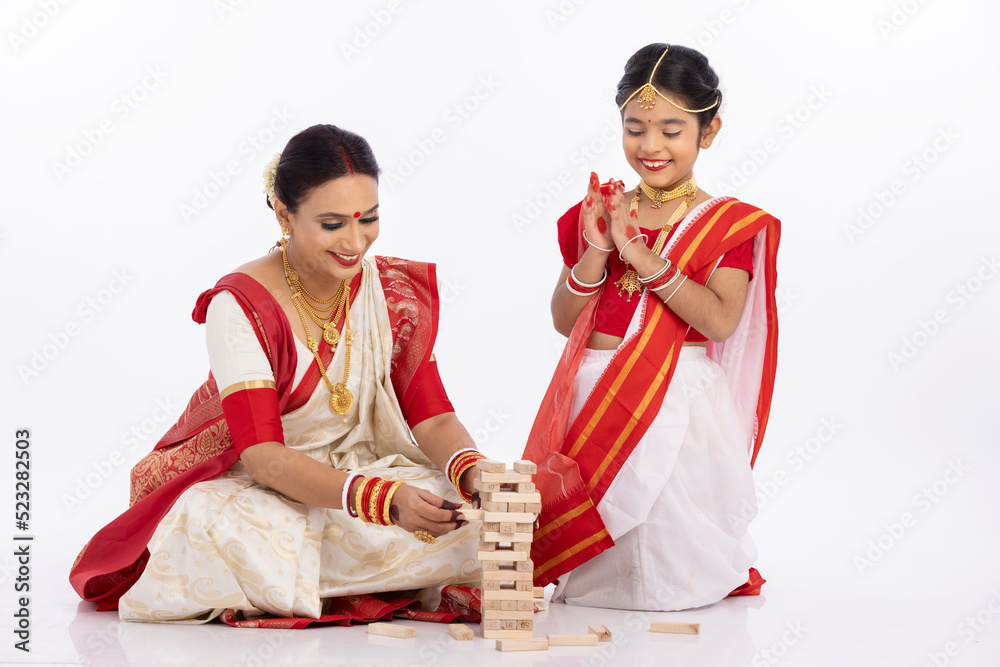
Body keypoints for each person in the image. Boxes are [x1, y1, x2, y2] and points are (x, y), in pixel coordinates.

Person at [70, 124, 492, 626]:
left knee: (471, 513)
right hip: (263, 485)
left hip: (360, 475)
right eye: (333, 224)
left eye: (370, 219)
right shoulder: (239, 305)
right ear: (284, 213)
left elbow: (433, 418)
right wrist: (380, 501)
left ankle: (316, 577)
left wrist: (473, 471)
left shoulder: (386, 289)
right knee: (220, 526)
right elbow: (265, 458)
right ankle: (380, 572)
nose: (356, 242)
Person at [523, 43, 781, 611]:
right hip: (593, 388)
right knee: (597, 548)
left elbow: (718, 320)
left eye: (671, 129)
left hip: (677, 394)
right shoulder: (601, 210)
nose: (651, 146)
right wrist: (597, 248)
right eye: (635, 128)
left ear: (708, 131)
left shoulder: (726, 225)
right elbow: (566, 321)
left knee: (667, 532)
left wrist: (643, 258)